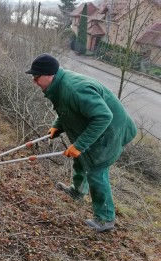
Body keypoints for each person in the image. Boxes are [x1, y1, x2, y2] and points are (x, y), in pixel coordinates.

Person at [25, 53, 137, 232]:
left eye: (36, 77)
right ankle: (77, 192)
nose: (34, 81)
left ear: (48, 75)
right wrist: (57, 126)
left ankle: (105, 219)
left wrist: (79, 145)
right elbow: (69, 110)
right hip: (97, 127)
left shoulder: (74, 88)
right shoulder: (59, 85)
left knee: (96, 169)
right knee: (80, 158)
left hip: (110, 131)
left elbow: (103, 116)